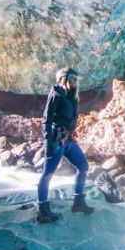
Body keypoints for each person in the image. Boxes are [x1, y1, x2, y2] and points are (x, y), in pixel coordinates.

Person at [36, 67, 92, 221]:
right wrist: (48, 142)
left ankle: (78, 203)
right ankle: (43, 211)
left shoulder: (71, 96)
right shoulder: (56, 93)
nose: (75, 81)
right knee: (47, 174)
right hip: (56, 139)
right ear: (63, 78)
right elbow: (46, 120)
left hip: (68, 139)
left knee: (83, 166)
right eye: (72, 78)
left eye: (76, 79)